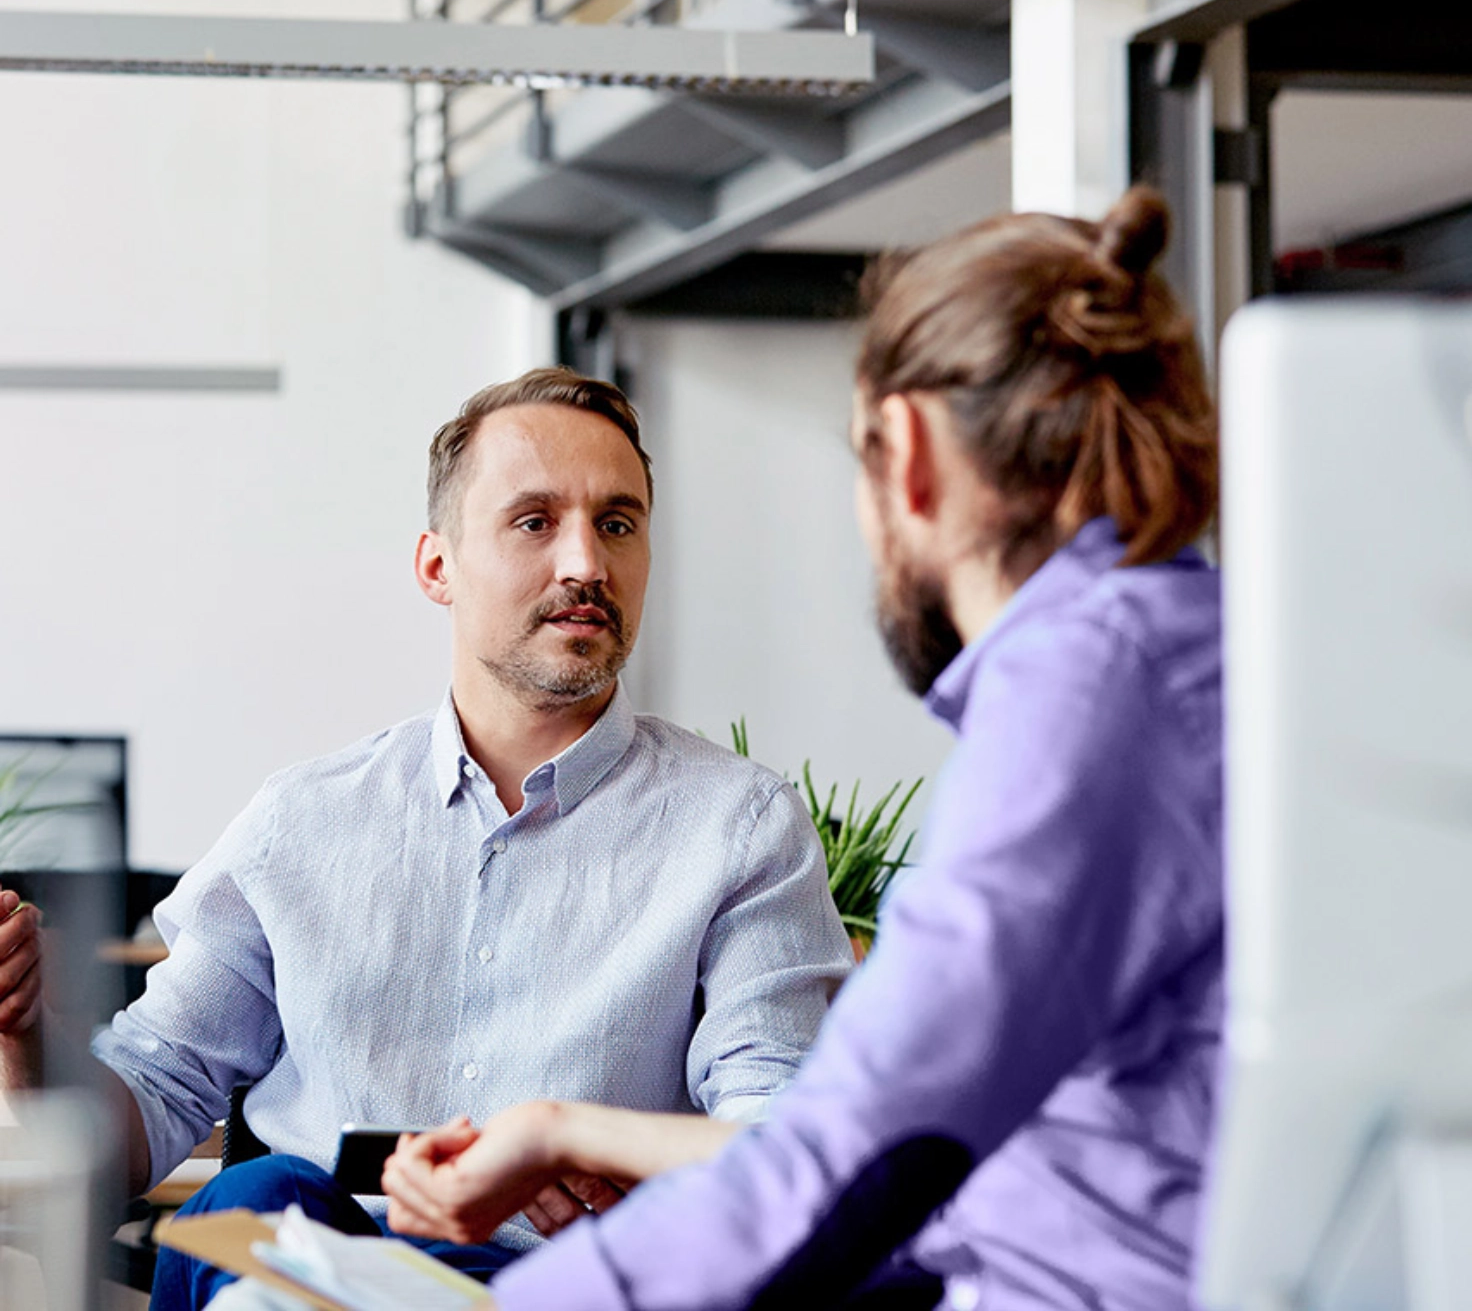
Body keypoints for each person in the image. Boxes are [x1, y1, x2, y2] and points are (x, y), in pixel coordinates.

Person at [375, 185, 1225, 1310]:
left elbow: (844, 1167)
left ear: (907, 450)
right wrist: (559, 1126)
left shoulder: (1080, 696)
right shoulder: (1195, 652)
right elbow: (869, 1138)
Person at [0, 369, 853, 1302]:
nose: (586, 564)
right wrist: (25, 1033)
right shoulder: (303, 822)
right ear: (438, 566)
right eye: (535, 522)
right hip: (313, 1268)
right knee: (260, 1193)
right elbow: (143, 1116)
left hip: (569, 1283)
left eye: (618, 523)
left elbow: (783, 1142)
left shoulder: (741, 829)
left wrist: (629, 1174)